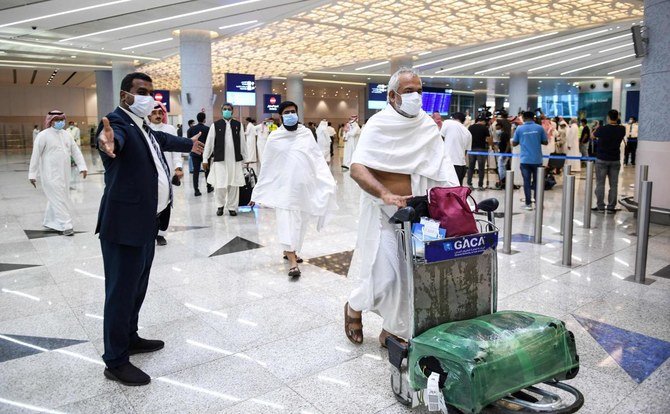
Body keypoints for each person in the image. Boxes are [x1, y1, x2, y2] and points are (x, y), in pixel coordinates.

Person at [95, 72, 204, 385]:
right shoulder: (117, 122)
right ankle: (115, 361)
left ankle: (129, 337)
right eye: (141, 91)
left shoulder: (143, 126)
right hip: (124, 227)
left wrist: (189, 144)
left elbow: (163, 139)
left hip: (146, 223)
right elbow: (111, 139)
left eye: (151, 92)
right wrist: (107, 144)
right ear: (124, 94)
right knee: (120, 293)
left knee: (137, 287)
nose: (148, 97)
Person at [345, 68, 458, 346]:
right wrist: (384, 194)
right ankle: (353, 308)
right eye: (409, 91)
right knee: (384, 276)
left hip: (420, 215)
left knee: (410, 277)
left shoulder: (428, 126)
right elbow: (357, 169)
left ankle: (393, 330)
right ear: (393, 96)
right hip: (382, 214)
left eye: (419, 90)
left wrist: (454, 203)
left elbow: (443, 168)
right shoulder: (378, 124)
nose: (416, 96)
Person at [251, 101, 337, 277]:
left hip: (303, 189)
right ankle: (292, 261)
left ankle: (289, 250)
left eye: (293, 112)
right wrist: (257, 191)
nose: (291, 115)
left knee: (300, 224)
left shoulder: (305, 134)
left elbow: (316, 159)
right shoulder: (275, 137)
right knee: (287, 224)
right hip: (284, 190)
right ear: (281, 116)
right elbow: (267, 166)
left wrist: (326, 180)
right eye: (287, 112)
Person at [28, 110, 88, 236]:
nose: (60, 122)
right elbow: (35, 155)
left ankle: (50, 221)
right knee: (58, 198)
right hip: (49, 174)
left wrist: (82, 166)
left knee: (58, 197)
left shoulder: (67, 135)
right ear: (50, 121)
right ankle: (66, 224)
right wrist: (32, 174)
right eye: (57, 120)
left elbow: (75, 151)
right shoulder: (43, 135)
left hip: (64, 173)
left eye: (62, 120)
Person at [202, 103, 247, 217]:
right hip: (220, 160)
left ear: (232, 111)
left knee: (234, 184)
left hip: (235, 160)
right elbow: (209, 143)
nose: (227, 111)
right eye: (225, 109)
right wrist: (205, 159)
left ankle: (232, 207)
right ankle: (220, 206)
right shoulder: (215, 125)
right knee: (220, 185)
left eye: (229, 109)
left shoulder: (238, 125)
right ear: (222, 111)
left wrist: (245, 159)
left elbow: (243, 143)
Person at [148, 102, 183, 246]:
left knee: (166, 203)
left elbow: (176, 150)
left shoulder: (169, 129)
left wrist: (178, 167)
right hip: (149, 173)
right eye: (154, 113)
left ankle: (161, 233)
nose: (158, 115)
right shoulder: (145, 129)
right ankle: (149, 232)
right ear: (149, 115)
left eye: (160, 113)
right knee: (150, 203)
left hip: (166, 173)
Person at [512, 111, 547, 211]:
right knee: (537, 182)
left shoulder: (519, 128)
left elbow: (514, 143)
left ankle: (528, 204)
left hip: (525, 160)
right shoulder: (539, 128)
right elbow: (545, 142)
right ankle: (538, 203)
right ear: (533, 118)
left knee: (526, 182)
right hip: (537, 160)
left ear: (523, 117)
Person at [593, 109, 626, 213]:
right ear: (618, 117)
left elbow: (592, 136)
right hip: (615, 159)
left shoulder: (602, 129)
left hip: (602, 159)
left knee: (600, 184)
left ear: (608, 117)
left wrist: (597, 126)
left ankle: (601, 207)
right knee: (614, 185)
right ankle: (611, 207)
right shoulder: (622, 129)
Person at [440, 112, 471, 185]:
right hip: (462, 166)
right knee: (457, 191)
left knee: (446, 191)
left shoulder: (448, 122)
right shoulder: (468, 133)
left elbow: (440, 139)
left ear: (453, 118)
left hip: (450, 164)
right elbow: (465, 152)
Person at [187, 112, 212, 196]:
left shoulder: (190, 129)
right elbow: (210, 142)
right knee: (207, 170)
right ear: (204, 119)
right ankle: (209, 187)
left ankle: (196, 190)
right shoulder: (208, 129)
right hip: (205, 153)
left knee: (196, 172)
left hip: (195, 153)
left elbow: (189, 141)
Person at [467, 117, 490, 190]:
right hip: (481, 150)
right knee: (481, 168)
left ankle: (469, 184)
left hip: (471, 149)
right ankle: (480, 185)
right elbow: (488, 139)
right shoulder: (484, 127)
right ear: (482, 121)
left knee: (471, 167)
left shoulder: (470, 127)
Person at [494, 119, 511, 188]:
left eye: (497, 126)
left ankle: (503, 180)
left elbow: (508, 144)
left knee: (501, 167)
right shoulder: (502, 134)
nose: (496, 128)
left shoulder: (504, 134)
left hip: (504, 153)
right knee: (501, 167)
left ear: (500, 126)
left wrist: (505, 153)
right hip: (502, 152)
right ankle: (503, 180)